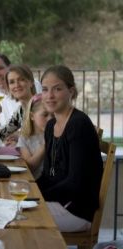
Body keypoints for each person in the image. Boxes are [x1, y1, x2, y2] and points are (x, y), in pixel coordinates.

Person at [37, 65, 103, 232]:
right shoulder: (51, 125)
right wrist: (29, 189)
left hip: (77, 209)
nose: (49, 96)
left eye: (57, 89)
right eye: (45, 90)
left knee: (19, 219)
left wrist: (37, 197)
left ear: (71, 91)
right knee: (11, 210)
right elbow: (47, 175)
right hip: (59, 202)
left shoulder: (78, 124)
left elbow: (75, 182)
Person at [0, 64, 36, 143]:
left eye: (21, 79)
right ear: (9, 88)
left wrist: (20, 136)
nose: (16, 85)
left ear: (31, 82)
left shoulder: (40, 106)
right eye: (12, 82)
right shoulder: (20, 111)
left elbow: (44, 137)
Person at [17, 94, 51, 180]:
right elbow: (30, 167)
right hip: (34, 184)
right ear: (32, 116)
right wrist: (47, 143)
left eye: (53, 115)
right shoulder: (24, 138)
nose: (50, 119)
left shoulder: (59, 135)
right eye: (45, 115)